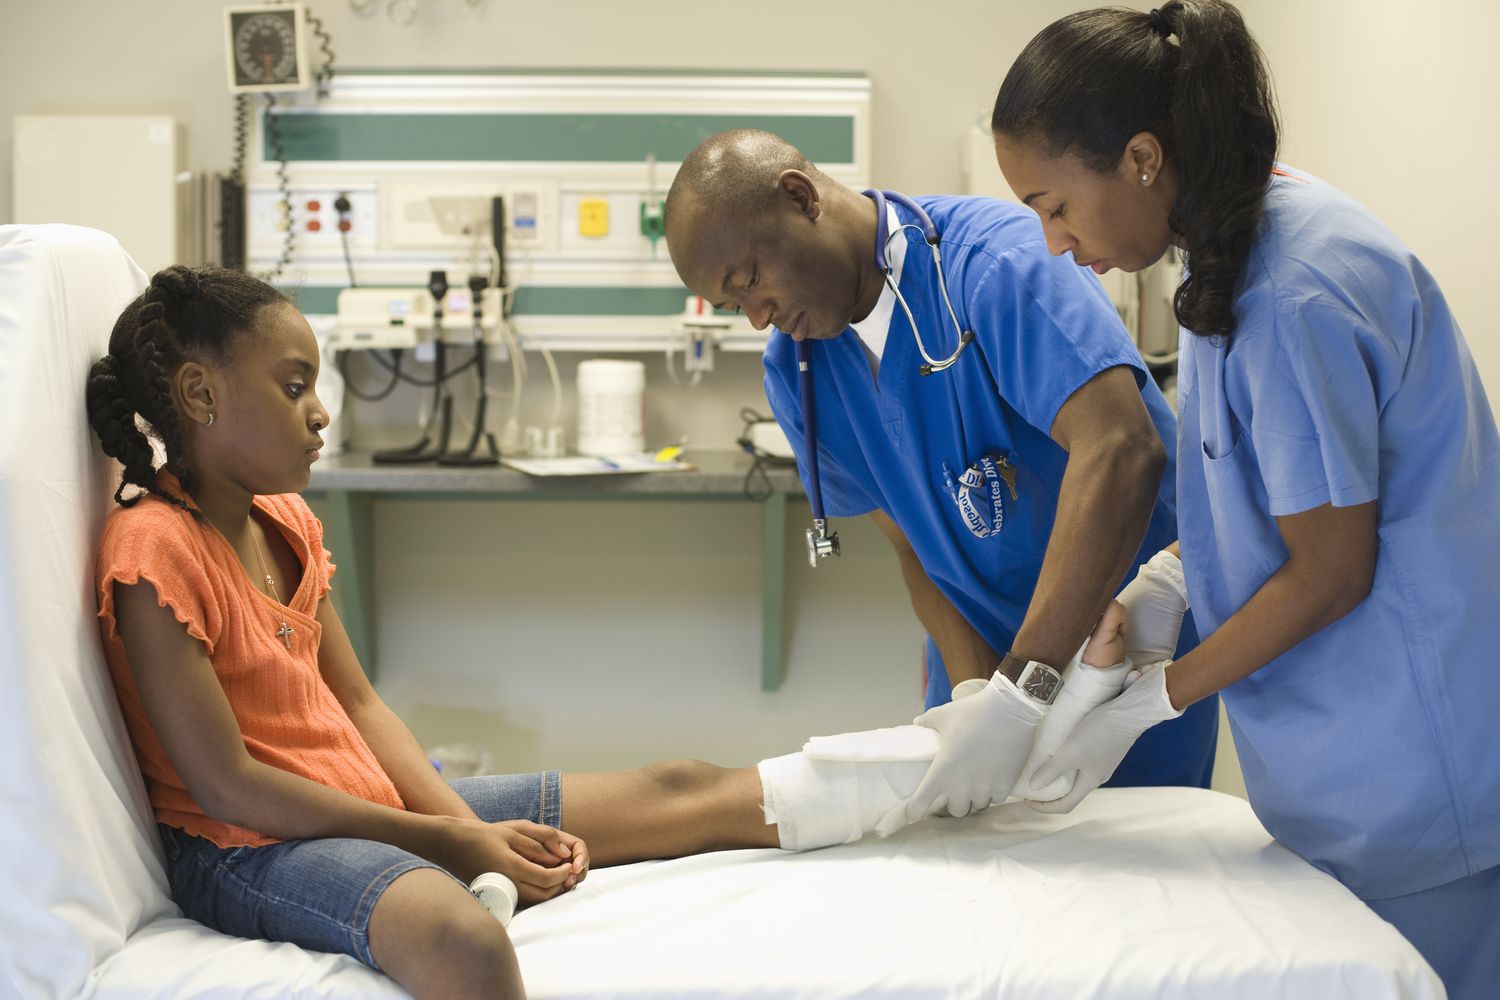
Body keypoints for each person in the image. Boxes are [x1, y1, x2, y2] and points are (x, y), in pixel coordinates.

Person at [86, 266, 784, 1000]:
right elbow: (228, 785)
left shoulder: (284, 522)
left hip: (353, 797)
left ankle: (891, 789)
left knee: (678, 786)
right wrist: (449, 842)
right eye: (295, 388)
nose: (320, 414)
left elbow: (358, 708)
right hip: (249, 847)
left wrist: (471, 834)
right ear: (201, 395)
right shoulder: (153, 550)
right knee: (465, 939)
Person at [989, 3, 1500, 996]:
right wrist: (1164, 587)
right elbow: (1264, 486)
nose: (1054, 243)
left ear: (1141, 158)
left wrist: (1152, 700)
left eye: (1055, 205)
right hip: (1344, 781)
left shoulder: (1294, 289)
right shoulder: (1227, 251)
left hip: (1415, 784)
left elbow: (1331, 570)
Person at [663, 128, 1218, 825]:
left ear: (800, 198)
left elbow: (1122, 450)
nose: (756, 317)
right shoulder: (795, 372)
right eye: (731, 306)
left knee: (1138, 889)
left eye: (749, 281)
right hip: (984, 666)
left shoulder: (996, 262)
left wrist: (1026, 690)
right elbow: (915, 552)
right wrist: (974, 700)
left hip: (1124, 651)